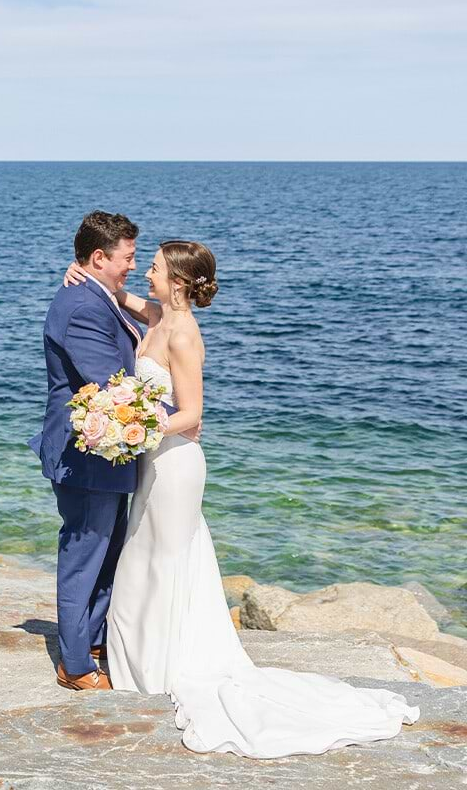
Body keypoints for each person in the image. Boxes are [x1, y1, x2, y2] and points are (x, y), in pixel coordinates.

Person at [62, 240, 419, 757]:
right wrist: (82, 272)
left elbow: (192, 413)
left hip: (175, 463)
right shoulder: (160, 314)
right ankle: (139, 660)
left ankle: (164, 666)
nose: (147, 274)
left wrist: (132, 425)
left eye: (156, 268)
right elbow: (120, 298)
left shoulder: (183, 334)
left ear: (178, 281)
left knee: (164, 558)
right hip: (152, 462)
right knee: (145, 556)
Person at [30, 211, 191, 691]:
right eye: (127, 258)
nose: (133, 267)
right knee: (85, 550)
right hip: (86, 453)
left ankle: (93, 637)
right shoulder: (83, 307)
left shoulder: (99, 295)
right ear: (99, 257)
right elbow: (112, 387)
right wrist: (178, 418)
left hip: (106, 454)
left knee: (108, 549)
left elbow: (150, 319)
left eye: (140, 260)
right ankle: (75, 663)